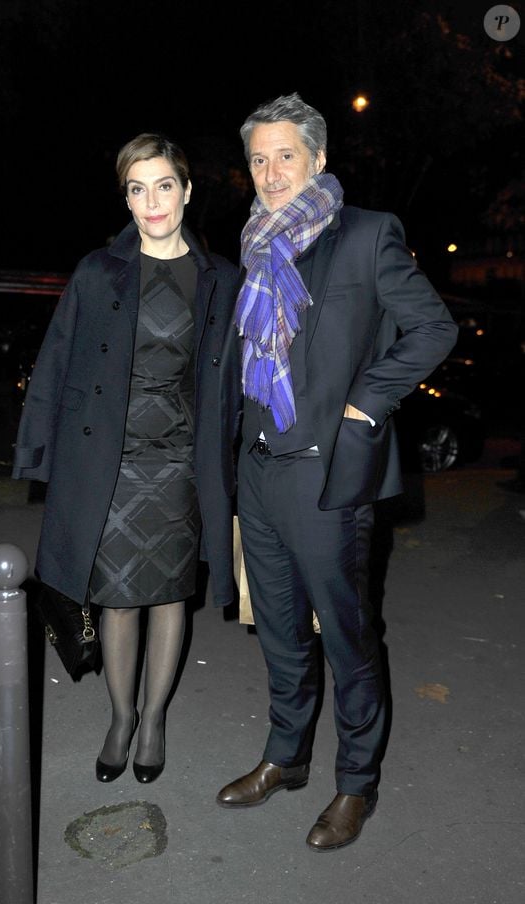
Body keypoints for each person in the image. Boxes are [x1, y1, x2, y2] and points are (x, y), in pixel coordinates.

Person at [216, 93, 458, 850]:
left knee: (348, 638)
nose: (270, 171)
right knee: (281, 635)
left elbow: (433, 327)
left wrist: (366, 403)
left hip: (326, 479)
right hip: (257, 473)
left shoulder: (367, 235)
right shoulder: (257, 244)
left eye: (285, 154)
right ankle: (286, 758)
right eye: (258, 158)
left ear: (317, 159)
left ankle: (356, 782)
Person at [12, 132, 241, 784]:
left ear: (187, 190)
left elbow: (244, 376)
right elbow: (56, 362)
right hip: (109, 462)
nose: (152, 201)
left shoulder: (220, 278)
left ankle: (153, 719)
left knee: (168, 596)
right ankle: (119, 716)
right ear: (127, 198)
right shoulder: (98, 271)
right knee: (116, 600)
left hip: (178, 465)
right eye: (137, 189)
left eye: (163, 185)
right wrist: (37, 450)